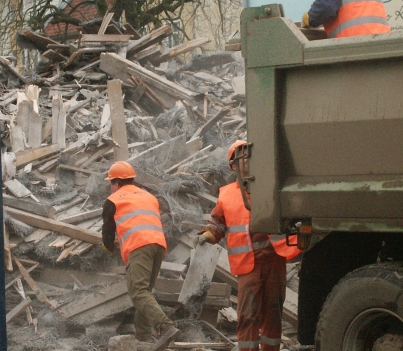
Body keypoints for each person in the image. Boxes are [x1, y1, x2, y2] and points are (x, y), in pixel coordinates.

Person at [195, 141, 302, 351]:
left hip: (274, 259)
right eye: (243, 158)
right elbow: (218, 222)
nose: (248, 161)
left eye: (250, 156)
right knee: (247, 315)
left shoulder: (270, 186)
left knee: (273, 313)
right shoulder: (226, 194)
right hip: (248, 264)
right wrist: (208, 234)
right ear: (233, 166)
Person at [101, 161, 180, 351]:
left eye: (111, 183)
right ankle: (143, 337)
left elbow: (107, 234)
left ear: (117, 183)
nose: (110, 187)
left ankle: (165, 327)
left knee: (138, 292)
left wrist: (108, 248)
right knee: (145, 291)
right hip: (158, 245)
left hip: (139, 246)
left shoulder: (114, 200)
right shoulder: (148, 196)